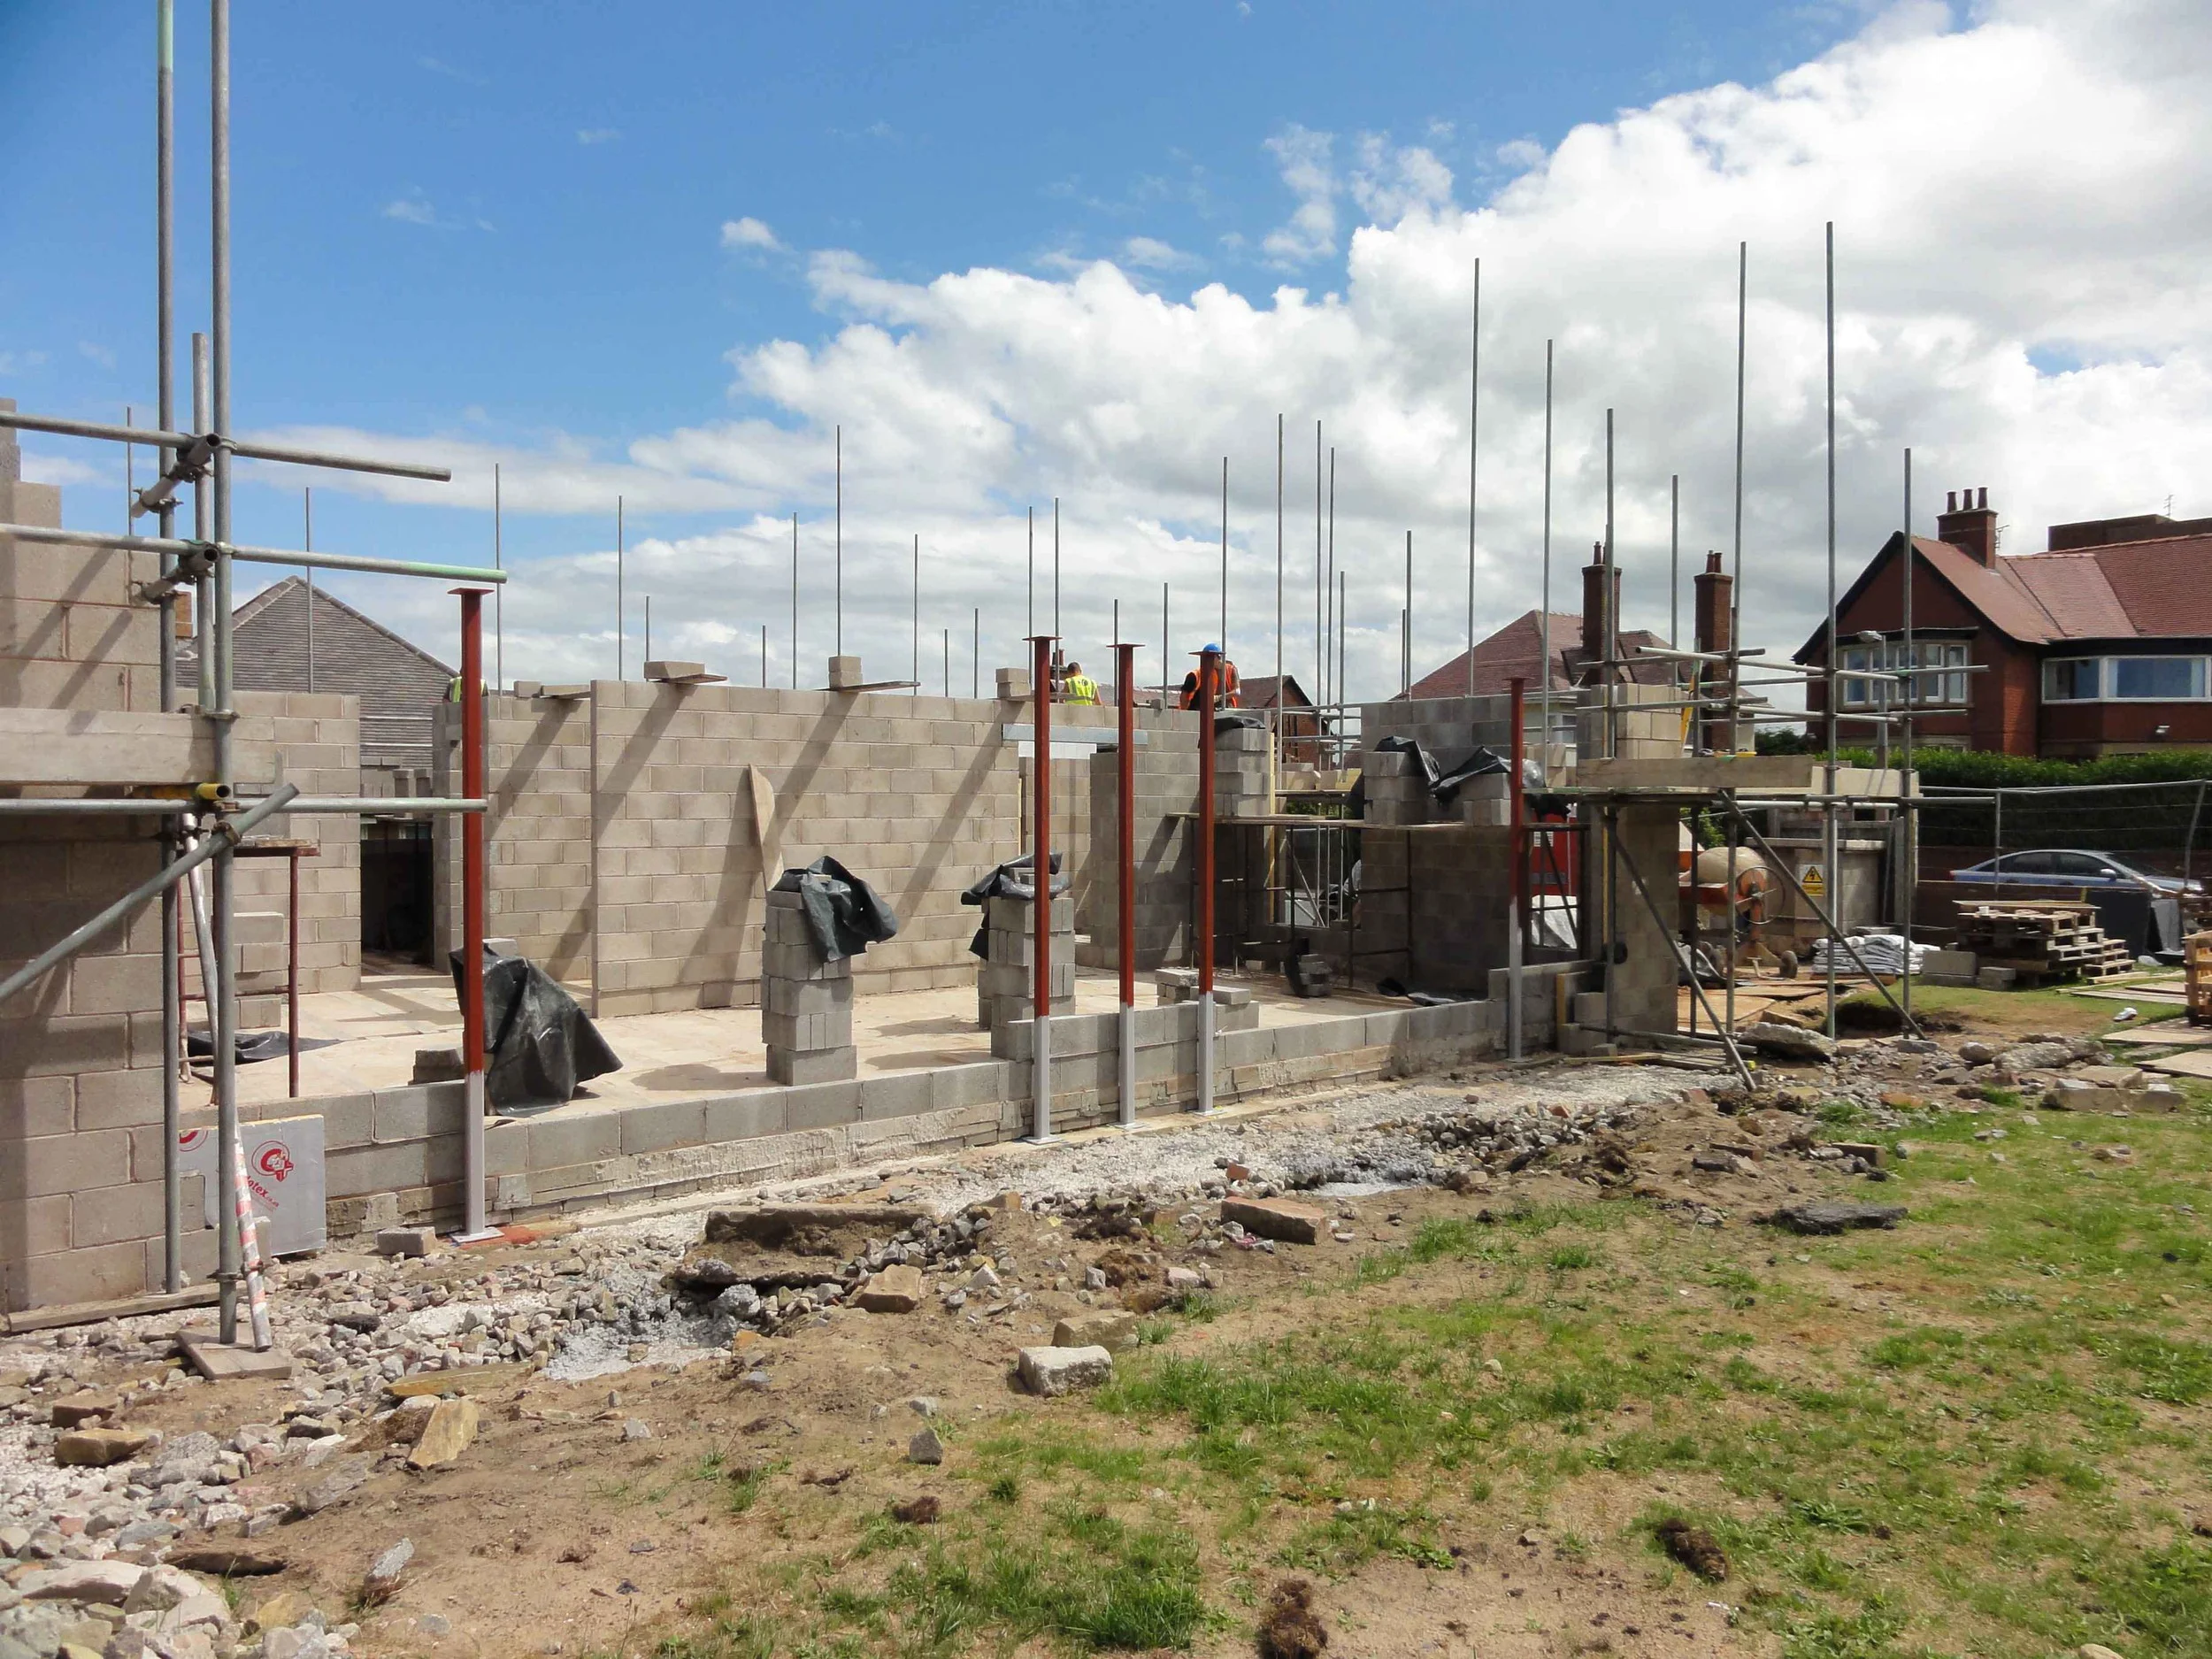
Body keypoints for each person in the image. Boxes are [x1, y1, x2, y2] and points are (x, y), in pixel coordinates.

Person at [1178, 646, 1240, 710]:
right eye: (1218, 657)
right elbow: (1184, 697)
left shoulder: (1231, 669)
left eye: (1220, 657)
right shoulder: (1196, 675)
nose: (1220, 659)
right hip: (1199, 709)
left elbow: (1237, 691)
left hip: (1225, 707)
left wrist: (1218, 698)